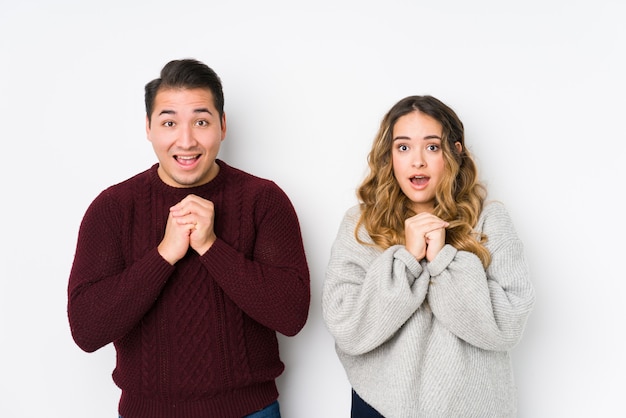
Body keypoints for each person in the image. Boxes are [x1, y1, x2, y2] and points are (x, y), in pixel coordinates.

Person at [67, 58, 310, 418]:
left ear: (223, 125)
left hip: (249, 411)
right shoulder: (113, 208)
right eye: (169, 122)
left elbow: (291, 316)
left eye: (201, 121)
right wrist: (164, 255)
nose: (186, 140)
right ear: (148, 127)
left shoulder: (264, 200)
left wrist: (212, 247)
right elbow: (87, 330)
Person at [322, 95, 534, 417]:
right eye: (403, 147)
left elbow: (507, 325)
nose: (417, 161)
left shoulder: (489, 221)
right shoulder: (362, 225)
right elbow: (347, 326)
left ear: (455, 151)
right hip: (379, 406)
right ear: (389, 156)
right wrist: (406, 259)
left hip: (470, 408)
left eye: (432, 147)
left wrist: (442, 260)